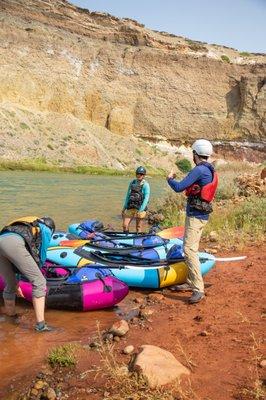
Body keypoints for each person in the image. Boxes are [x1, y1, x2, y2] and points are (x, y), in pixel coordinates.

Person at [167, 139, 218, 304]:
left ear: (195, 153)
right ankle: (190, 282)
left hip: (196, 216)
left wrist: (170, 178)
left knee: (189, 250)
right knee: (192, 248)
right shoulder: (208, 169)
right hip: (201, 215)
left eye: (193, 153)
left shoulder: (199, 170)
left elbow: (179, 187)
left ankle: (198, 289)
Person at [0, 216, 55, 332]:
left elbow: (16, 262)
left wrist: (17, 283)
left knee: (10, 284)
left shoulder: (28, 222)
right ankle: (41, 326)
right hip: (13, 243)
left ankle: (11, 318)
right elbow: (42, 253)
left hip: (2, 240)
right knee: (39, 282)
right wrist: (38, 269)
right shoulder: (46, 228)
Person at [122, 166, 150, 233]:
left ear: (144, 175)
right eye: (138, 173)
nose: (139, 175)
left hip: (140, 208)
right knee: (125, 225)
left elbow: (146, 199)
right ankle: (126, 237)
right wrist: (124, 207)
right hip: (131, 206)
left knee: (138, 227)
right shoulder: (132, 183)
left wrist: (141, 210)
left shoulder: (146, 185)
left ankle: (138, 241)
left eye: (141, 174)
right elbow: (128, 196)